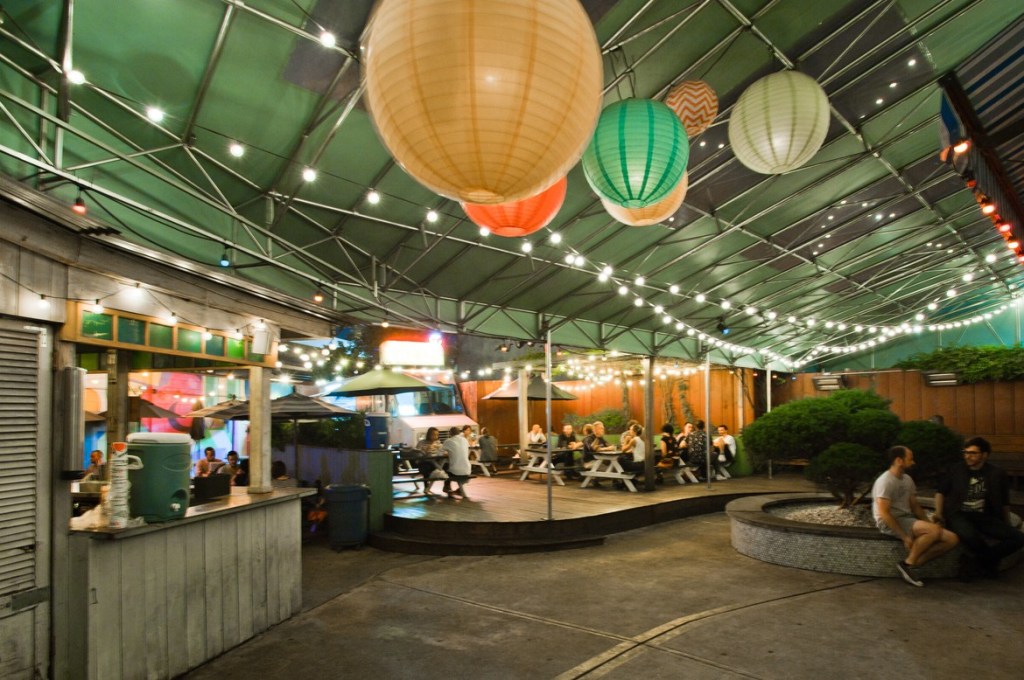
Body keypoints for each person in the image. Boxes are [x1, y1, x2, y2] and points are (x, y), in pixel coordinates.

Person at [934, 437, 1024, 579]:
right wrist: (938, 513)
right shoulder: (956, 469)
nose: (967, 456)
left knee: (1018, 538)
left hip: (985, 516)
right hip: (958, 514)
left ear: (985, 455)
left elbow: (1004, 502)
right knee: (970, 536)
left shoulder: (997, 473)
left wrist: (1006, 523)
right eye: (965, 452)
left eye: (973, 453)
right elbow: (940, 492)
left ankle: (973, 562)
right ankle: (988, 564)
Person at [872, 445, 958, 587]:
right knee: (934, 531)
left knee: (952, 539)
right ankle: (908, 564)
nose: (913, 462)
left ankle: (913, 564)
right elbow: (884, 513)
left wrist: (929, 523)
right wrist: (904, 537)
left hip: (907, 518)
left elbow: (915, 506)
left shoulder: (907, 479)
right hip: (889, 521)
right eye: (910, 459)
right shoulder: (885, 481)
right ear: (899, 460)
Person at [441, 426, 471, 499]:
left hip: (456, 472)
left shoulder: (448, 441)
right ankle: (458, 490)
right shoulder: (465, 440)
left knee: (444, 468)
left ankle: (447, 487)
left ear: (450, 433)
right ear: (459, 432)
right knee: (454, 466)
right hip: (467, 470)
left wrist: (448, 453)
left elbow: (440, 452)